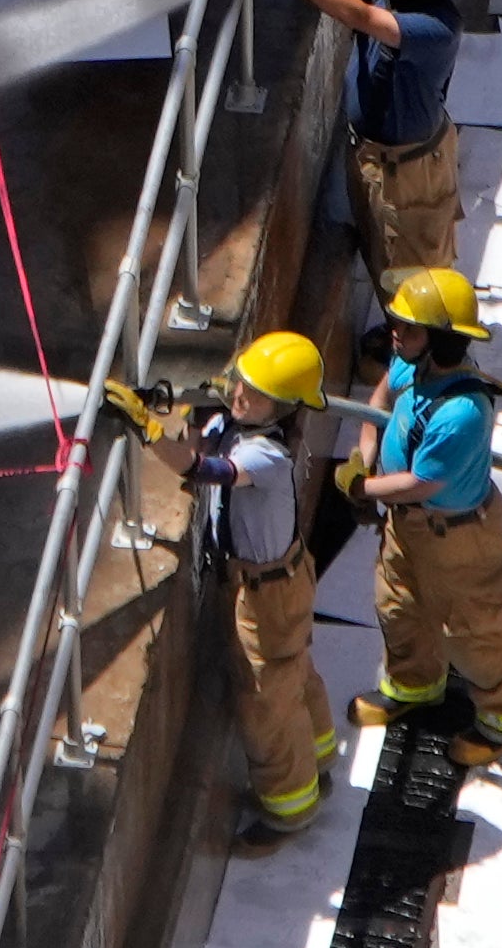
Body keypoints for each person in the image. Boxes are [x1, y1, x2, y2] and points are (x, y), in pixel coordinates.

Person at [118, 330, 340, 848]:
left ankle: (290, 809)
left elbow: (205, 469)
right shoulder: (237, 422)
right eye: (240, 382)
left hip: (267, 594)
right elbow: (202, 433)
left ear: (283, 407)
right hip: (272, 583)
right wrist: (177, 406)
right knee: (291, 675)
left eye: (255, 394)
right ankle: (319, 759)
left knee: (266, 701)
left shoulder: (267, 455)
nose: (239, 394)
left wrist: (148, 429)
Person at [341, 268, 502, 770]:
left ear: (440, 340)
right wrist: (364, 456)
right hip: (408, 526)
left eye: (408, 328)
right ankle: (414, 684)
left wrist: (362, 488)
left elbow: (421, 483)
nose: (395, 334)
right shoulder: (410, 366)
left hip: (459, 537)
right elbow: (379, 400)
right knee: (399, 604)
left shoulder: (462, 412)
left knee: (476, 629)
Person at [292, 0, 467, 300]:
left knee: (417, 282)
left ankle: (421, 338)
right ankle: (397, 329)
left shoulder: (438, 27)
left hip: (409, 174)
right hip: (370, 157)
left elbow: (360, 16)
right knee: (381, 256)